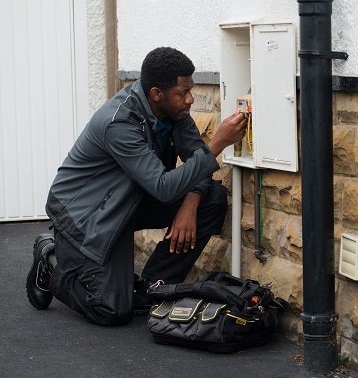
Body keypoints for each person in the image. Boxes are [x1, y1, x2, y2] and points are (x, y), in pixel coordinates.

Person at [25, 47, 247, 325]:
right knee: (110, 310)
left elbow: (194, 160)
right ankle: (52, 257)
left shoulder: (175, 113)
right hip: (87, 217)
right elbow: (165, 187)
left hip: (128, 201)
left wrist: (190, 204)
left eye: (191, 90)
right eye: (183, 93)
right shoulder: (119, 123)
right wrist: (218, 143)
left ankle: (153, 287)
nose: (190, 99)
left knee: (211, 197)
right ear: (156, 94)